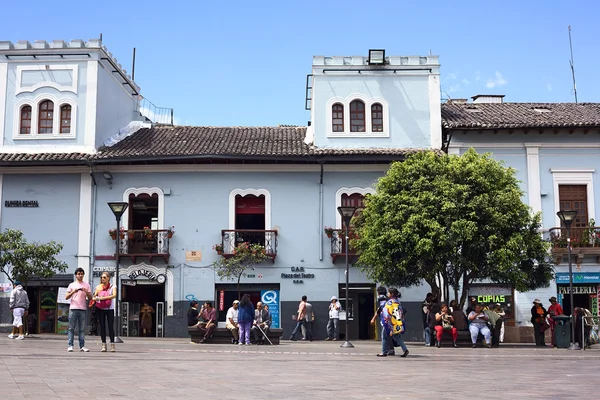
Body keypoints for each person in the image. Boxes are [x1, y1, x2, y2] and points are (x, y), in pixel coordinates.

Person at [66, 268, 93, 352]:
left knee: (82, 329)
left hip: (82, 308)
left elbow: (90, 298)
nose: (80, 275)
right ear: (76, 275)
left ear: (83, 275)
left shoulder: (87, 285)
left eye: (81, 274)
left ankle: (82, 346)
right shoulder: (71, 285)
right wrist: (74, 291)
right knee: (71, 328)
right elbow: (66, 297)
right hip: (73, 308)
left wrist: (86, 292)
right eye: (78, 274)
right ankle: (70, 345)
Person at [378, 288, 409, 358]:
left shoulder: (390, 302)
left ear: (391, 294)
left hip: (389, 322)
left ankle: (383, 352)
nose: (387, 294)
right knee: (396, 337)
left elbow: (386, 311)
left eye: (389, 293)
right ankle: (405, 349)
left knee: (384, 336)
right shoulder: (397, 302)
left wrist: (386, 319)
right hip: (396, 322)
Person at [93, 272, 117, 352]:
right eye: (101, 277)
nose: (102, 279)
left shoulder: (113, 286)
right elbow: (94, 296)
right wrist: (96, 298)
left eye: (104, 277)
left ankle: (112, 345)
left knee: (110, 326)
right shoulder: (98, 287)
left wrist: (104, 298)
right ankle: (103, 344)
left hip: (110, 309)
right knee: (102, 326)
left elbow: (114, 295)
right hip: (101, 308)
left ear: (108, 278)